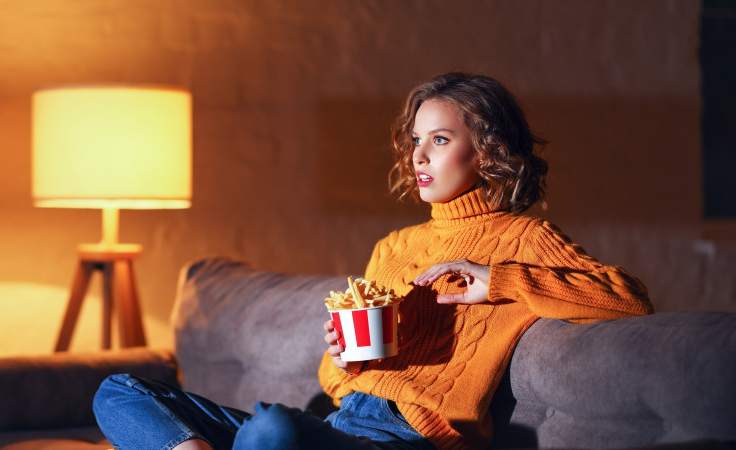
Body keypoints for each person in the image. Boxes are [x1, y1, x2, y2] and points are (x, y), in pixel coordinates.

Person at [92, 72, 654, 450]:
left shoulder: (523, 238)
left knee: (271, 427)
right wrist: (344, 358)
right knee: (118, 391)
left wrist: (496, 282)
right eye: (415, 140)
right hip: (340, 423)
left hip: (407, 439)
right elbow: (336, 382)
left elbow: (628, 299)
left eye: (438, 139)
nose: (418, 156)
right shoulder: (394, 248)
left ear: (486, 150)